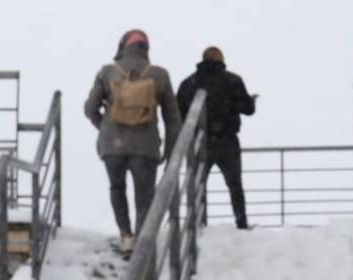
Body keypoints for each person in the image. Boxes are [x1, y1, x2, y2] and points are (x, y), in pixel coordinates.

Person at [84, 30, 181, 254]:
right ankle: (142, 244)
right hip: (145, 147)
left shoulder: (108, 72)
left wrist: (104, 127)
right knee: (144, 197)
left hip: (112, 146)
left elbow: (90, 108)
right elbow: (173, 119)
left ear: (122, 47)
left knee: (117, 188)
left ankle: (126, 235)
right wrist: (169, 150)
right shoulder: (159, 74)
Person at [178, 46, 257, 229]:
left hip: (200, 142)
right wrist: (250, 101)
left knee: (198, 184)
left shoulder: (189, 83)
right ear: (221, 60)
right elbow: (248, 110)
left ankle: (199, 224)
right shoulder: (233, 80)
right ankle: (241, 223)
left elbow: (180, 114)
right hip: (227, 141)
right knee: (235, 185)